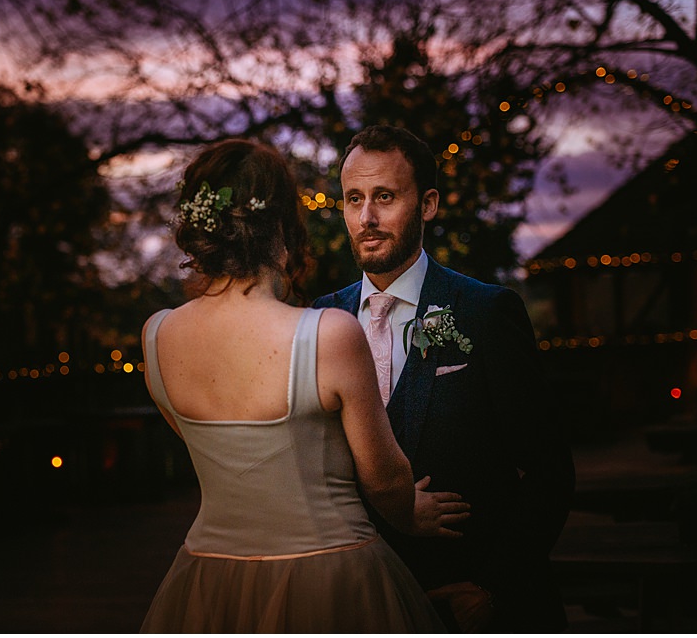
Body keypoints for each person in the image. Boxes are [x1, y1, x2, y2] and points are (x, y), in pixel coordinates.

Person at [139, 138, 466, 633]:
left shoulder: (157, 334)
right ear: (283, 225)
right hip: (327, 571)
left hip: (209, 574)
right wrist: (409, 513)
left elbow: (218, 450)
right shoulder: (326, 332)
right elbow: (382, 474)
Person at [312, 125, 575, 632]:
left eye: (385, 197)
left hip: (470, 600)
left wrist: (494, 588)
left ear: (428, 204)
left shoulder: (486, 312)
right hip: (360, 602)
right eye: (353, 199)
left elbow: (549, 471)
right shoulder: (320, 322)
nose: (366, 217)